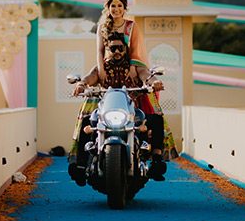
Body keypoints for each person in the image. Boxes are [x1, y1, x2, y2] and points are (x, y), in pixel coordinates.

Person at [69, 32, 173, 184]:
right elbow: (90, 77)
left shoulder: (134, 67)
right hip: (106, 113)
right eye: (113, 48)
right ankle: (81, 164)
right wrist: (81, 84)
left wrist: (154, 82)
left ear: (125, 49)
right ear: (107, 49)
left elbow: (146, 75)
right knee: (86, 121)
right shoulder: (101, 68)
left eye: (120, 48)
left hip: (132, 112)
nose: (117, 52)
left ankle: (156, 161)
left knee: (156, 120)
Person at [95, 0, 147, 86]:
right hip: (109, 69)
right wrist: (101, 70)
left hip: (129, 68)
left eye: (119, 5)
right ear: (108, 8)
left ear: (124, 8)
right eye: (113, 6)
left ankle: (156, 83)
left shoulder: (131, 26)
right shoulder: (102, 27)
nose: (116, 9)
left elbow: (135, 50)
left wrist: (132, 69)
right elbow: (100, 51)